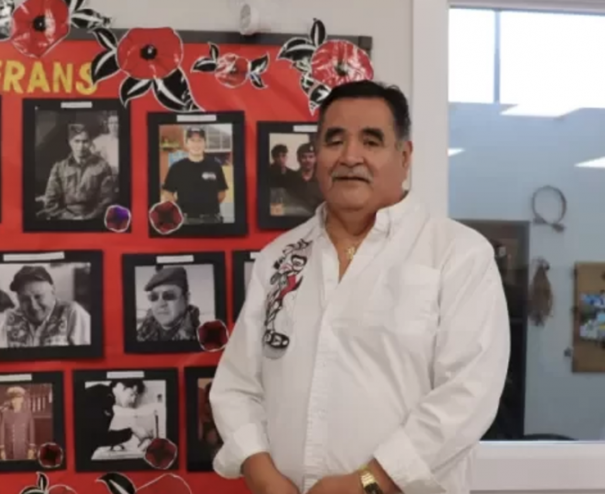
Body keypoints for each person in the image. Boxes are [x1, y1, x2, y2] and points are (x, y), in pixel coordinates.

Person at [209, 81, 510, 494]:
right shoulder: (279, 258)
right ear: (316, 158)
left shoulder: (456, 255)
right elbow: (237, 384)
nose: (351, 156)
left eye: (372, 141)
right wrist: (259, 471)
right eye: (335, 141)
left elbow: (468, 394)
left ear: (404, 157)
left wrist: (370, 482)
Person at [38, 123, 116, 220]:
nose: (81, 146)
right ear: (70, 142)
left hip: (94, 218)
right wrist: (70, 218)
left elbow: (107, 201)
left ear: (91, 142)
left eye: (85, 141)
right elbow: (50, 202)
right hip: (65, 219)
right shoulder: (59, 167)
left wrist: (87, 218)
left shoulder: (102, 166)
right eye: (77, 141)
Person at [3, 266, 91, 347]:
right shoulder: (9, 318)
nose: (33, 306)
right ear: (18, 299)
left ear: (53, 290)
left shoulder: (72, 313)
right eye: (25, 299)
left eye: (38, 296)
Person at [161, 127, 229, 225]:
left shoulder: (215, 166)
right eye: (192, 140)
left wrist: (207, 207)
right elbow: (167, 193)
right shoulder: (177, 168)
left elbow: (221, 193)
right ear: (186, 143)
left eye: (199, 140)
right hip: (184, 220)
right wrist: (180, 209)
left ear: (205, 143)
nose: (196, 144)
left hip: (212, 220)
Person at [77, 380, 153, 460]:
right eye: (131, 394)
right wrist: (131, 431)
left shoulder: (106, 399)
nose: (133, 400)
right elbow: (96, 438)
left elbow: (98, 437)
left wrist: (132, 430)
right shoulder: (100, 394)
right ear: (120, 386)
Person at [136, 266, 201, 342]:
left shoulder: (201, 338)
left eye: (169, 296)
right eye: (154, 297)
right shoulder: (143, 333)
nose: (160, 304)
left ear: (186, 299)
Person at [0, 386, 36, 461]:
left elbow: (31, 431)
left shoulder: (28, 413)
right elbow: (2, 432)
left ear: (22, 400)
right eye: (13, 399)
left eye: (17, 399)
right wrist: (2, 450)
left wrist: (31, 449)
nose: (15, 402)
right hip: (9, 450)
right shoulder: (5, 413)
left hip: (23, 448)